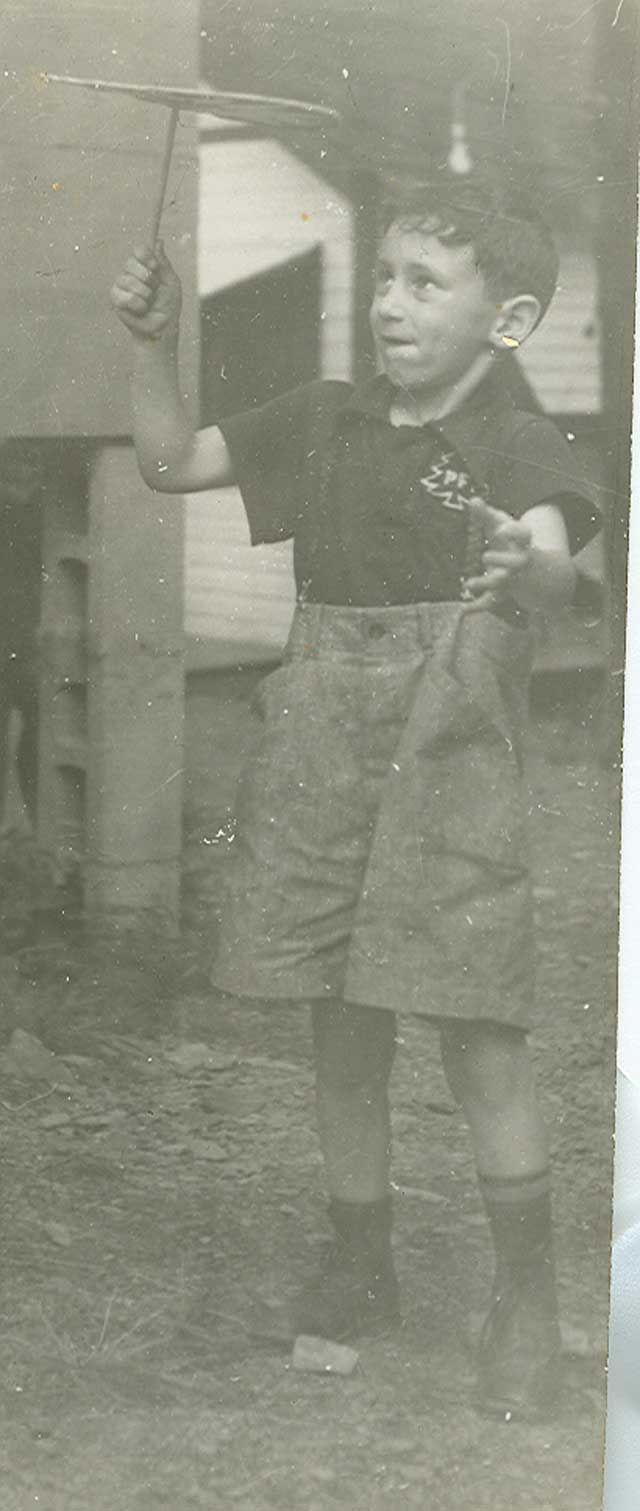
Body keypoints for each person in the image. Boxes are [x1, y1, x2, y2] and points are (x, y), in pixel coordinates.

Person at [111, 176, 601, 1420]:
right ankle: (362, 1262)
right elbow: (167, 461)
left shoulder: (516, 442)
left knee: (476, 1024)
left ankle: (526, 1302)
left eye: (425, 283)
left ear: (507, 320)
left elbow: (552, 561)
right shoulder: (324, 416)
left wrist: (527, 560)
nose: (389, 302)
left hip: (450, 750)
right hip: (320, 746)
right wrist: (155, 345)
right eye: (384, 276)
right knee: (338, 1011)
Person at [0, 440, 44, 830]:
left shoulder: (43, 514)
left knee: (40, 734)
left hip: (31, 638)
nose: (22, 477)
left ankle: (41, 825)